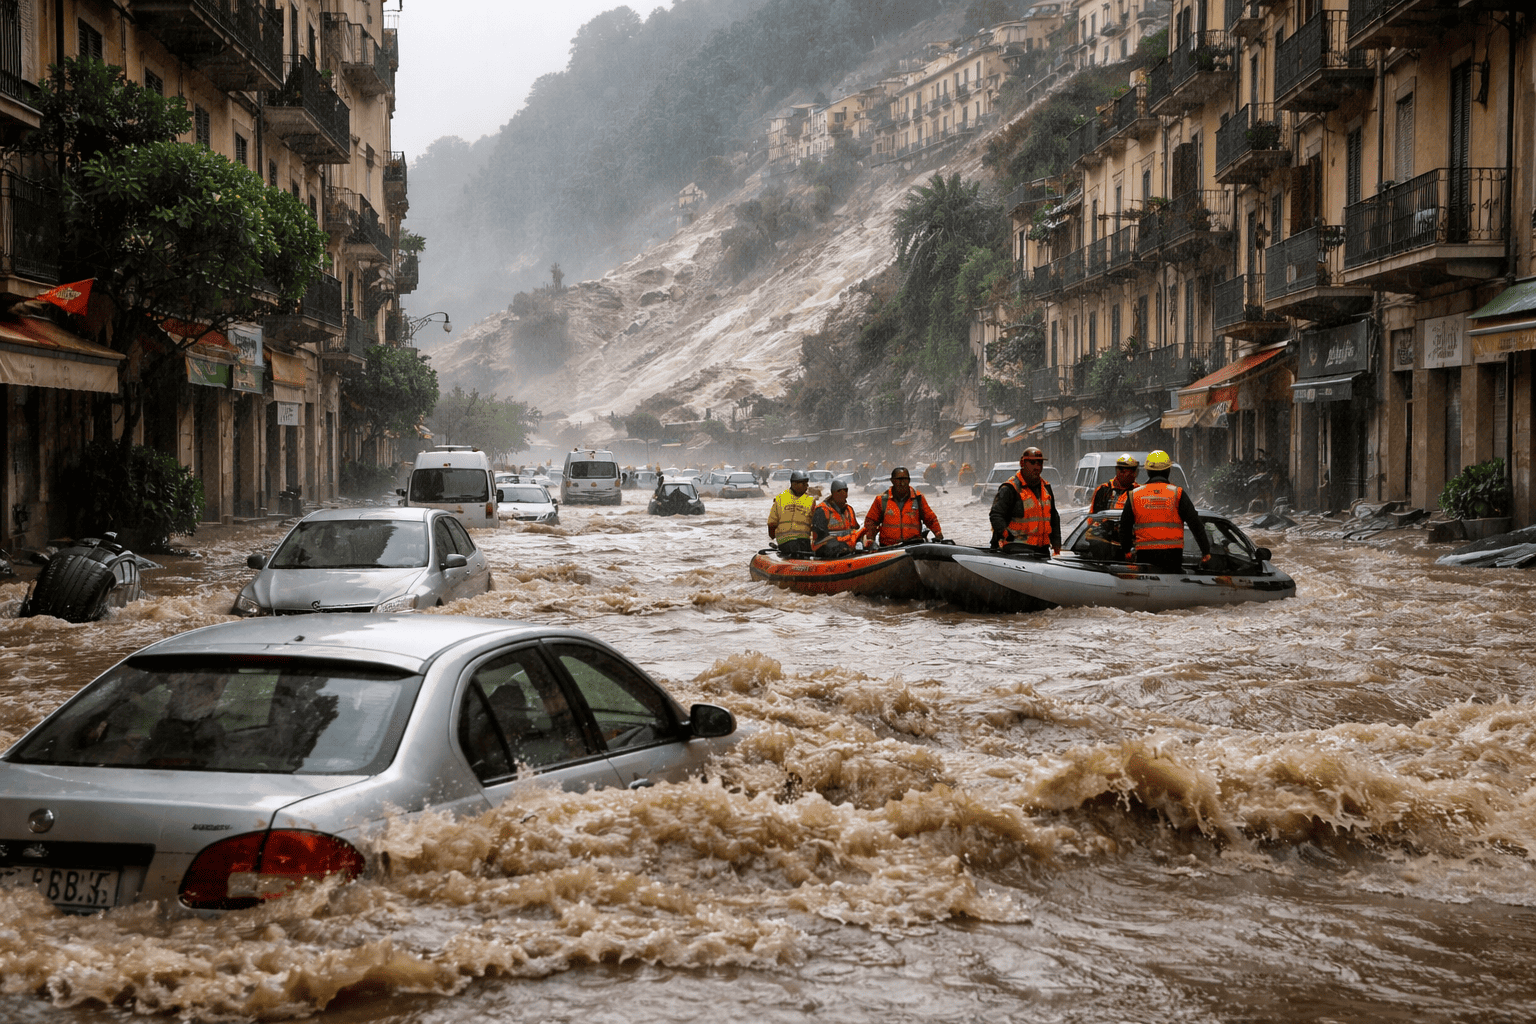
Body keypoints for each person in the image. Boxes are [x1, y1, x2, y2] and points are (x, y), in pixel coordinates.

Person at [1119, 449, 1211, 572]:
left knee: (1147, 588)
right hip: (1172, 555)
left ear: (1147, 471)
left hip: (1145, 554)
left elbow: (1124, 526)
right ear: (1168, 471)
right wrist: (1205, 551)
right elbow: (1195, 524)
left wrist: (1126, 550)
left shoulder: (1135, 495)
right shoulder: (1177, 493)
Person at [989, 447, 1060, 556]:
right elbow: (996, 515)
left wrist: (1056, 544)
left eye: (1040, 463)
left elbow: (1054, 517)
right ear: (1022, 463)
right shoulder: (1010, 488)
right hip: (1017, 548)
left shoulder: (1046, 488)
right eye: (1032, 463)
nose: (1037, 467)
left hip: (1042, 549)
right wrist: (1006, 534)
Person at [863, 466, 942, 548]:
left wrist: (938, 533)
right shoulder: (882, 500)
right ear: (892, 481)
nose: (902, 483)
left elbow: (930, 519)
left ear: (909, 480)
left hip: (913, 546)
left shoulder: (918, 499)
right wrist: (870, 539)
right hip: (888, 547)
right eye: (899, 479)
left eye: (905, 479)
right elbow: (871, 522)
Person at [768, 469, 815, 558]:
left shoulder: (811, 501)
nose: (807, 486)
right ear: (794, 484)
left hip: (804, 541)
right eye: (803, 484)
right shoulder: (780, 499)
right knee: (796, 550)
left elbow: (815, 523)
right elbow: (772, 523)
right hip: (786, 541)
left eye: (807, 484)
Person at [811, 478, 861, 559]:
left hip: (846, 545)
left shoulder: (849, 509)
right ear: (833, 493)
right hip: (826, 547)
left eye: (845, 491)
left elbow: (855, 530)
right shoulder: (822, 510)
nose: (844, 494)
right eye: (840, 491)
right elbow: (820, 537)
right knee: (834, 545)